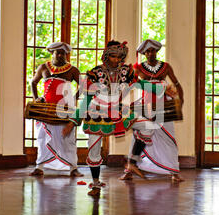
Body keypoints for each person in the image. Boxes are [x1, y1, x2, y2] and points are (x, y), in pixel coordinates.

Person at [62, 40, 164, 196]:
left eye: (119, 57)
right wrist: (73, 121)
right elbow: (86, 99)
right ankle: (95, 184)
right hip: (97, 113)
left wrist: (160, 88)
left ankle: (132, 162)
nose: (116, 60)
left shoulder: (126, 72)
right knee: (94, 149)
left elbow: (140, 84)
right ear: (106, 56)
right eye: (113, 56)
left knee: (147, 127)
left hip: (119, 111)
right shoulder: (95, 73)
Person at [119, 39, 184, 182]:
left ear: (157, 51)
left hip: (164, 105)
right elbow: (131, 84)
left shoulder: (166, 66)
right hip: (145, 104)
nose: (150, 53)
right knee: (138, 136)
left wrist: (180, 100)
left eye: (152, 50)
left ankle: (174, 171)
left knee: (168, 137)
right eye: (147, 51)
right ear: (144, 53)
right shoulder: (138, 67)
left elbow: (176, 83)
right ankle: (130, 169)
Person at [29, 42, 83, 177]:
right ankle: (39, 167)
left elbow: (82, 86)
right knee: (43, 137)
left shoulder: (73, 70)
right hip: (46, 109)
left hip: (65, 110)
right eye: (57, 52)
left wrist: (73, 98)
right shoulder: (44, 67)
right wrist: (36, 99)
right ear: (52, 53)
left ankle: (73, 168)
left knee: (68, 138)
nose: (60, 55)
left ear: (66, 54)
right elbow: (33, 82)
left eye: (62, 53)